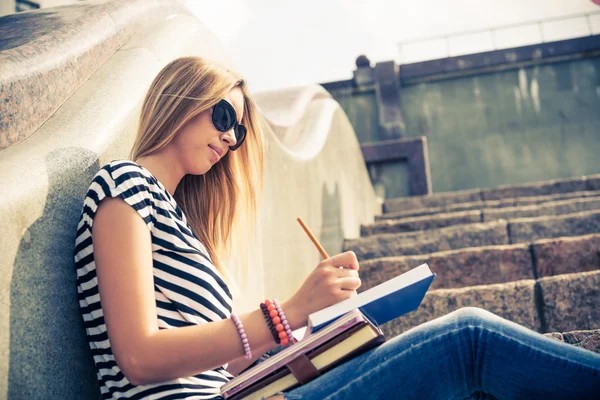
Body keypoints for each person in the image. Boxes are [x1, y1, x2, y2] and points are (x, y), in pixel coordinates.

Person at [74, 56, 600, 400]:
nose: (232, 139)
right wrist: (287, 313)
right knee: (468, 337)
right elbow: (139, 356)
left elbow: (216, 367)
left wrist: (308, 335)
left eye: (239, 131)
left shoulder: (180, 222)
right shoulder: (125, 184)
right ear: (181, 99)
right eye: (224, 118)